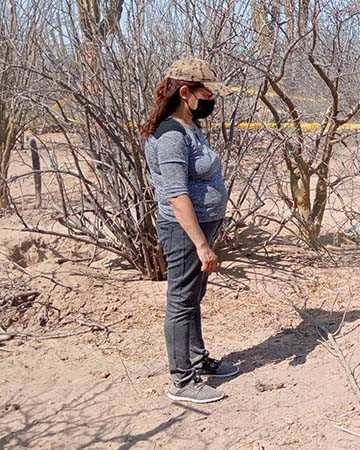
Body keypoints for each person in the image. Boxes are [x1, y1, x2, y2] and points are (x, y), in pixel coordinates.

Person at [140, 58, 238, 404]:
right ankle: (182, 381)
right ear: (186, 92)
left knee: (193, 297)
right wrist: (200, 244)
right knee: (181, 301)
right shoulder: (169, 136)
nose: (213, 99)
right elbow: (177, 195)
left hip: (201, 227)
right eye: (208, 93)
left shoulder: (190, 127)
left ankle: (198, 360)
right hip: (184, 231)